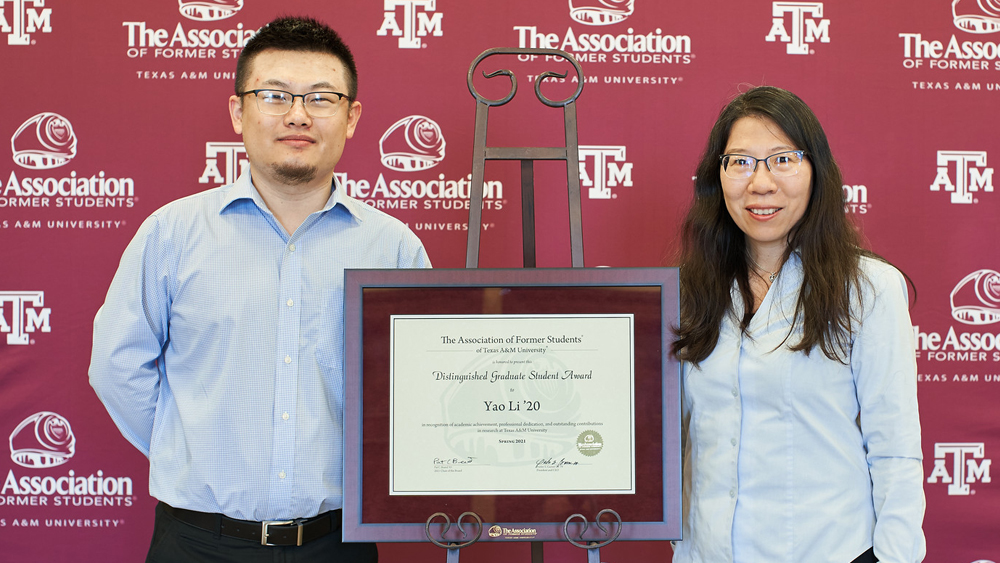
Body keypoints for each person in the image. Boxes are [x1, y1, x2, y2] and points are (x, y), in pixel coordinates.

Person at [89, 16, 429, 562]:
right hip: (197, 542)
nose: (298, 115)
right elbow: (116, 365)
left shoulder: (393, 249)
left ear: (351, 117)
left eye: (322, 98)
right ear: (238, 111)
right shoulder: (173, 234)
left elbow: (417, 389)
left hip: (336, 543)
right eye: (274, 95)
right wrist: (192, 445)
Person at [670, 86, 925, 563]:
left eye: (782, 159)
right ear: (716, 178)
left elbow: (895, 449)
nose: (760, 184)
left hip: (829, 549)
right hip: (707, 553)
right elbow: (672, 438)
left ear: (816, 171)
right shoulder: (686, 292)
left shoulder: (869, 287)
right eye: (740, 162)